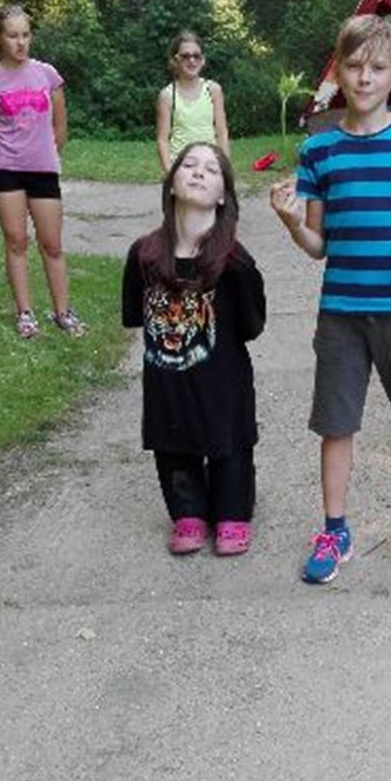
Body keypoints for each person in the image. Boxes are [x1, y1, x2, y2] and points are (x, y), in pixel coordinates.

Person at [270, 13, 391, 584]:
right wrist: (292, 223)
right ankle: (334, 529)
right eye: (353, 66)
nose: (364, 77)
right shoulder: (319, 151)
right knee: (336, 425)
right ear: (338, 74)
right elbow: (318, 246)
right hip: (342, 313)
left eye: (377, 67)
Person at [122, 142, 266, 556]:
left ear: (223, 196)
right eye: (188, 165)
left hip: (223, 379)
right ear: (171, 185)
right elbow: (136, 314)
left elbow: (252, 324)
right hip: (166, 378)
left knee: (230, 441)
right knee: (171, 440)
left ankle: (232, 510)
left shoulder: (235, 262)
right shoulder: (145, 255)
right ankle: (188, 512)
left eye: (211, 169)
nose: (199, 172)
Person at [0, 3, 85, 339]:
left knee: (52, 244)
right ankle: (25, 313)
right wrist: (13, 152)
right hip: (5, 170)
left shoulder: (47, 75)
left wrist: (45, 154)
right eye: (12, 36)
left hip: (43, 170)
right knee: (17, 241)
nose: (20, 42)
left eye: (25, 35)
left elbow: (60, 127)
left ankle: (63, 312)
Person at [156, 29, 230, 175]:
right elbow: (162, 140)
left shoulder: (213, 90)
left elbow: (222, 133)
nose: (192, 61)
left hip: (210, 167)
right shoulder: (167, 95)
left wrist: (225, 170)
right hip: (181, 169)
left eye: (197, 56)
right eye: (185, 56)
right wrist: (170, 173)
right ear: (175, 61)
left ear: (203, 60)